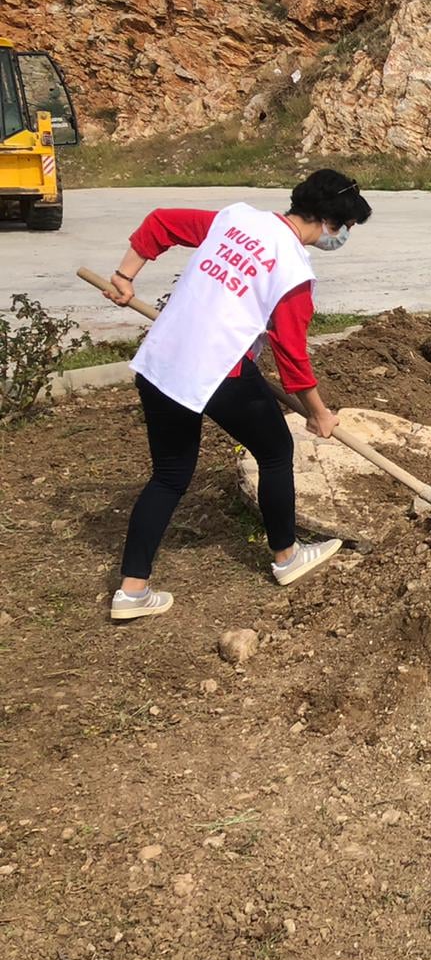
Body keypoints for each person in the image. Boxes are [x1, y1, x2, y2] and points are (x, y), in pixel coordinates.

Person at [100, 169, 373, 622]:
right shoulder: (294, 273)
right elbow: (293, 361)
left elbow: (161, 223)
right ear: (328, 221)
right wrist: (320, 414)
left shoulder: (238, 220)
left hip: (161, 363)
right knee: (275, 450)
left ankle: (132, 591)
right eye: (345, 228)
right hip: (217, 374)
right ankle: (286, 557)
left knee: (169, 476)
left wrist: (124, 275)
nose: (341, 237)